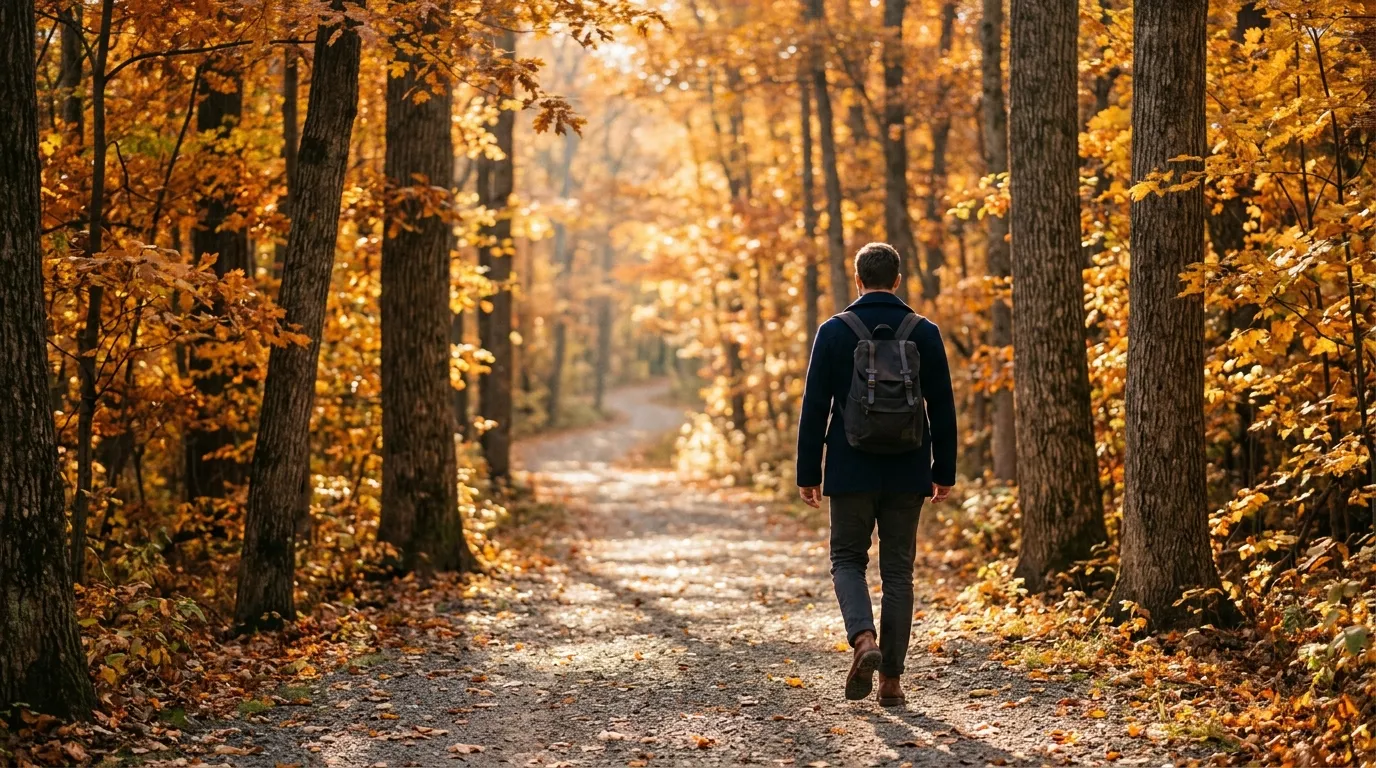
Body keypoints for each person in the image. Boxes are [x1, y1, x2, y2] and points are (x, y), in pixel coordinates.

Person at [796, 242, 957, 707]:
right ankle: (891, 683)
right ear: (898, 279)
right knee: (898, 573)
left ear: (858, 278)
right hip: (909, 470)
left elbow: (814, 409)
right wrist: (942, 470)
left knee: (847, 560)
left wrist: (810, 473)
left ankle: (864, 640)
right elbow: (942, 408)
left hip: (850, 468)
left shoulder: (834, 331)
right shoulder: (923, 332)